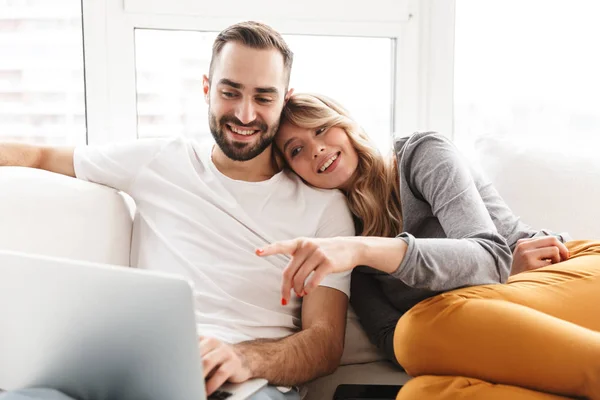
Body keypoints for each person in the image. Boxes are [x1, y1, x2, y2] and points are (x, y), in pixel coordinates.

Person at [0, 24, 356, 400]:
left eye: (264, 98)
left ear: (284, 100)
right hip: (131, 371)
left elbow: (325, 343)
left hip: (246, 387)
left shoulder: (324, 208)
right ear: (207, 89)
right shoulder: (160, 160)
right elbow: (38, 156)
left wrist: (244, 359)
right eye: (230, 92)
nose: (245, 114)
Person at [258, 92, 600, 399]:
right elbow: (393, 339)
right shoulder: (341, 234)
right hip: (490, 313)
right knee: (420, 391)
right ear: (293, 172)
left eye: (320, 129)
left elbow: (487, 254)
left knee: (421, 327)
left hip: (561, 268)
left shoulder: (419, 154)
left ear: (344, 124)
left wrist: (362, 250)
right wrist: (490, 277)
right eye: (297, 149)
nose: (315, 148)